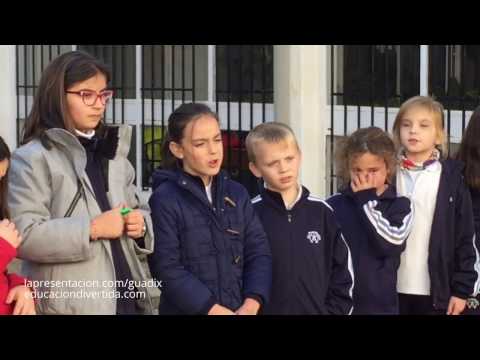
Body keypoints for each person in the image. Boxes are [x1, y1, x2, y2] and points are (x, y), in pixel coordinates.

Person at [8, 51, 159, 314]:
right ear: (58, 96)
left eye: (103, 95)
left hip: (128, 298)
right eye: (87, 94)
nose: (99, 104)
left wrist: (140, 224)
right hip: (73, 304)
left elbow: (138, 209)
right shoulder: (32, 158)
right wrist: (92, 228)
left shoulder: (113, 153)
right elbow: (24, 236)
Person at [148, 103, 272, 315]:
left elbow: (258, 253)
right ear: (177, 149)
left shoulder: (237, 193)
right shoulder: (164, 199)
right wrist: (212, 310)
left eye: (216, 139)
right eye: (200, 144)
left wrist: (252, 303)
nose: (213, 150)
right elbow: (167, 269)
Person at [246, 122, 354, 314]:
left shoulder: (322, 212)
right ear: (255, 169)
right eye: (272, 163)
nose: (283, 168)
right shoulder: (249, 214)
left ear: (300, 156)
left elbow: (343, 274)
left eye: (289, 158)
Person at [392, 95, 479, 315]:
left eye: (423, 125)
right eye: (406, 124)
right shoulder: (388, 173)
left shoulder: (453, 179)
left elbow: (465, 238)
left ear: (438, 135)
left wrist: (462, 291)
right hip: (391, 289)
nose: (413, 131)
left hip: (436, 292)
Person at [327, 127, 413, 314]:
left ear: (388, 167)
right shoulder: (332, 205)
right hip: (340, 305)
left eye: (373, 170)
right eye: (357, 170)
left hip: (379, 306)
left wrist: (366, 200)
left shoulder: (400, 205)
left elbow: (390, 244)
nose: (364, 176)